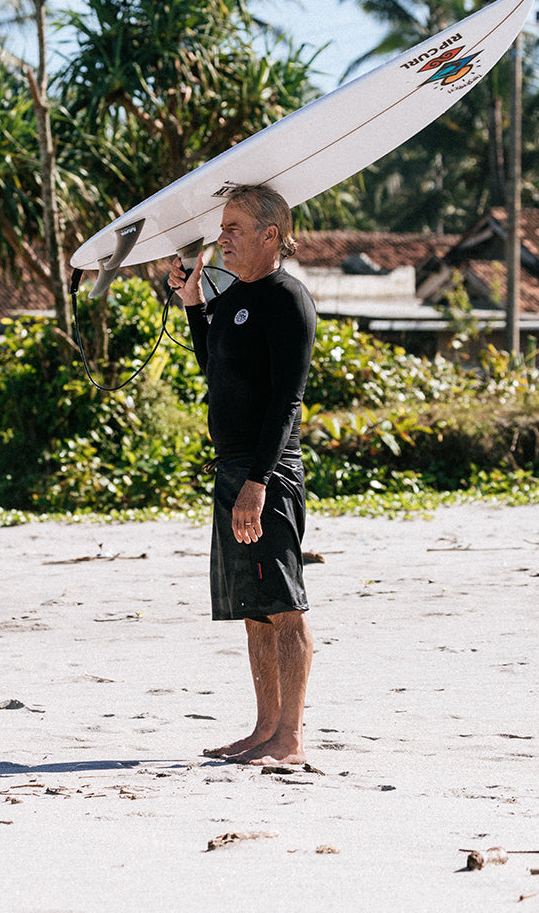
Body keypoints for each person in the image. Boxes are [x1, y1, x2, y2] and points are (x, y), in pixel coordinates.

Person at [168, 184, 317, 766]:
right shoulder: (232, 298)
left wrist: (259, 480)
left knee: (284, 605)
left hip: (268, 473)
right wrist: (194, 304)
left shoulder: (288, 300)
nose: (222, 237)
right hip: (232, 468)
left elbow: (287, 401)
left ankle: (292, 738)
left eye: (233, 228)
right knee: (253, 610)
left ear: (269, 235)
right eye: (222, 226)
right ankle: (264, 729)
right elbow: (216, 366)